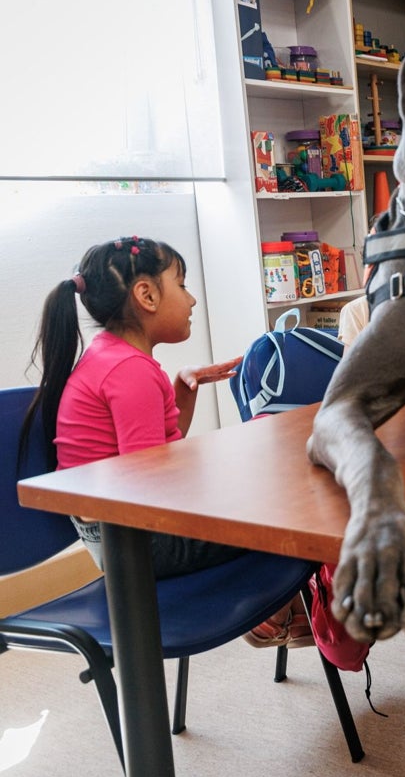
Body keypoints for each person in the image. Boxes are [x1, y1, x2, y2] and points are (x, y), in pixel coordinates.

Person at [20, 236, 310, 648]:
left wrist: (180, 394)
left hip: (126, 535)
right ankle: (279, 618)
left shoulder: (112, 357)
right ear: (147, 295)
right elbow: (153, 485)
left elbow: (151, 458)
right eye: (182, 285)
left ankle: (280, 612)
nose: (192, 300)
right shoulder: (129, 371)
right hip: (138, 547)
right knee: (296, 500)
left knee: (275, 492)